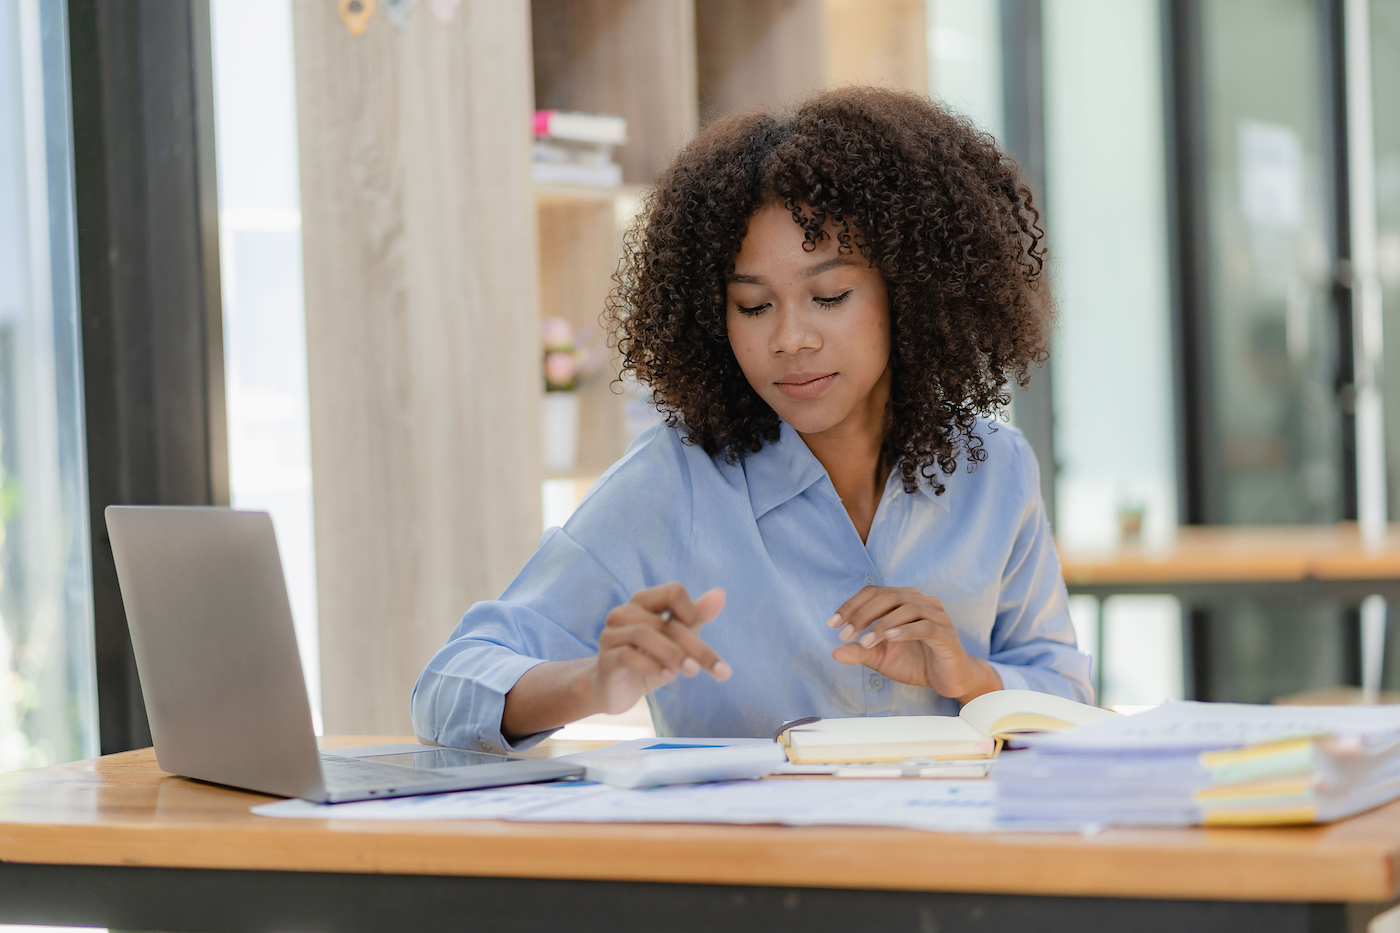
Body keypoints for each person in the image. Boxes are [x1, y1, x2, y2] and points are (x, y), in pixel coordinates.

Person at [412, 86, 1092, 753]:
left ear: (911, 289)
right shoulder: (673, 483)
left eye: (828, 295)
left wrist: (970, 676)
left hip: (953, 858)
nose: (790, 338)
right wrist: (592, 683)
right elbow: (448, 687)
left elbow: (1068, 696)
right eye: (754, 306)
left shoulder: (994, 469)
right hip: (753, 860)